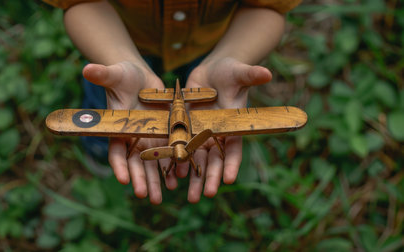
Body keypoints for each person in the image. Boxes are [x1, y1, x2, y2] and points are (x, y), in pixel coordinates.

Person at [42, 0, 302, 204]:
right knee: (110, 97)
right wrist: (122, 60)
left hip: (211, 45)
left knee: (125, 107)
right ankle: (98, 149)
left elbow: (268, 7)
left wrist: (231, 55)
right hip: (115, 43)